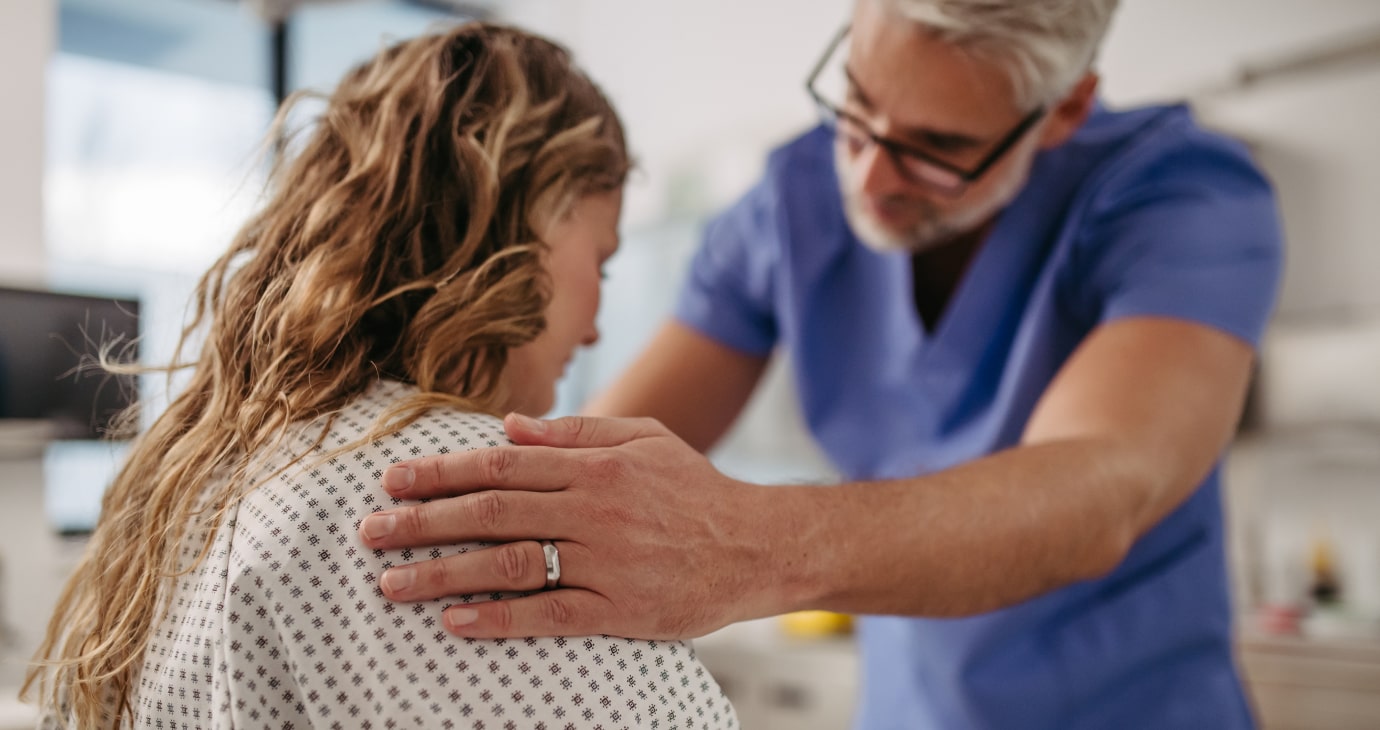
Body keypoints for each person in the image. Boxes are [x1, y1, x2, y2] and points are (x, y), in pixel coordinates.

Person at [356, 0, 1284, 727]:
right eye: (858, 102)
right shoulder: (789, 202)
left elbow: (1101, 491)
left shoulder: (1181, 198)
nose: (869, 178)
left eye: (938, 148)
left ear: (1063, 110)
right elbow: (574, 466)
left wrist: (745, 543)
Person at [23, 23, 739, 730]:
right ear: (528, 219)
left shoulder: (190, 487)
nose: (594, 328)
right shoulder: (484, 504)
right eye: (601, 261)